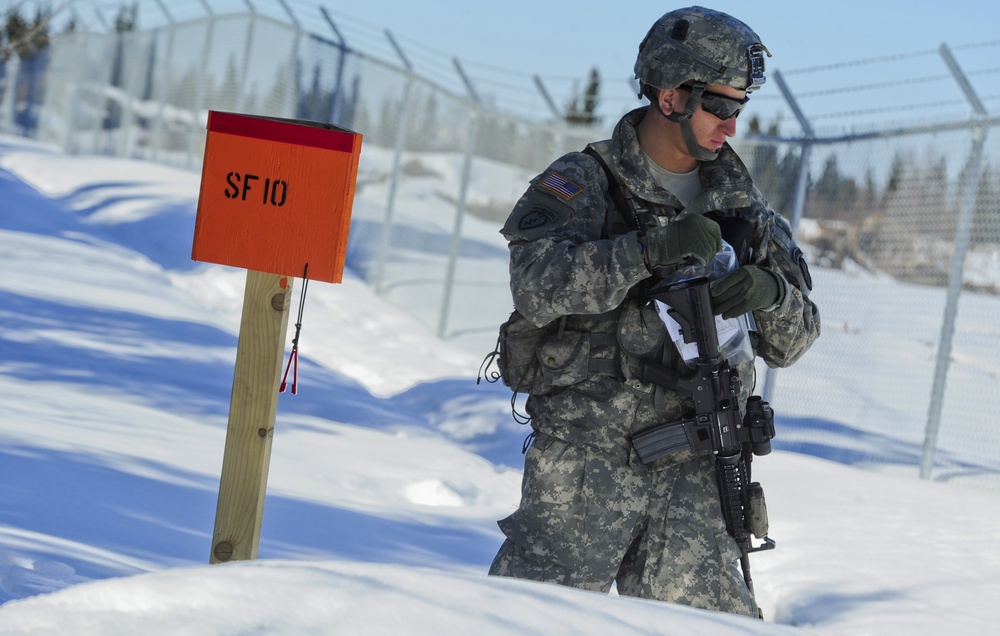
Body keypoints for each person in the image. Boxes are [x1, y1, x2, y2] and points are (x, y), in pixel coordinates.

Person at [487, 6, 820, 616]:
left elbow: (794, 340)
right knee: (527, 621)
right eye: (719, 106)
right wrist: (645, 250)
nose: (731, 125)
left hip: (698, 472)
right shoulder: (585, 182)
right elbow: (536, 286)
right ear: (670, 96)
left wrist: (768, 294)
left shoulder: (743, 209)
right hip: (587, 466)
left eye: (739, 107)